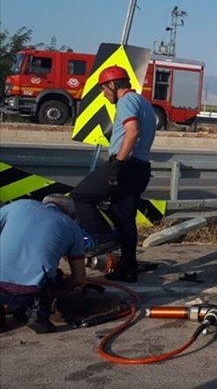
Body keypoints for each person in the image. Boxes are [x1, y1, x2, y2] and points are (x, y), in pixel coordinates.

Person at [71, 65, 156, 282]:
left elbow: (133, 131)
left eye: (103, 89)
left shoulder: (127, 101)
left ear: (112, 84)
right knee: (123, 217)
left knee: (80, 196)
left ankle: (104, 239)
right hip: (140, 169)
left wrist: (117, 164)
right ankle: (128, 268)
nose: (104, 94)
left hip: (125, 165)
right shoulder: (143, 102)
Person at [0, 194, 86, 334]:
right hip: (31, 291)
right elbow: (80, 278)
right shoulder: (72, 227)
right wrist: (64, 285)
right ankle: (39, 313)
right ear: (68, 212)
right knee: (54, 276)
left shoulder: (20, 205)